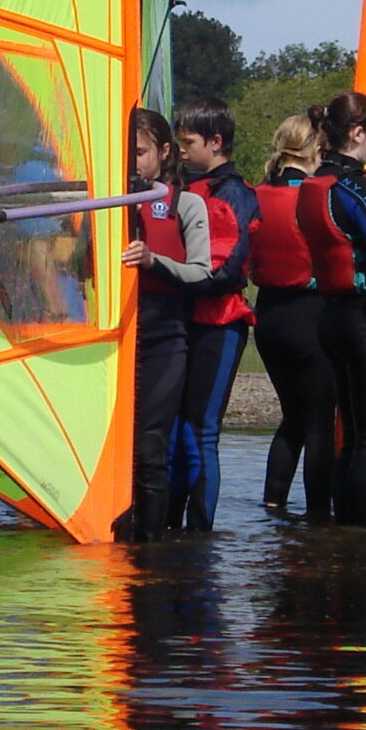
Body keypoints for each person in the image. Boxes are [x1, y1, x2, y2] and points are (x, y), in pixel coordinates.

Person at [295, 90, 366, 526]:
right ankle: (364, 542)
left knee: (352, 438)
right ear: (357, 133)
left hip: (331, 320)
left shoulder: (314, 183)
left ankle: (341, 534)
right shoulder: (355, 189)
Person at [118, 107, 209, 542]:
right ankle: (111, 542)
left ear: (164, 152)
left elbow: (202, 271)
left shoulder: (185, 204)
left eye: (139, 153)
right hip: (115, 340)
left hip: (163, 337)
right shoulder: (105, 206)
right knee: (113, 453)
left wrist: (156, 262)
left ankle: (150, 550)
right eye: (124, 154)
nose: (132, 163)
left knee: (150, 449)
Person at [167, 100, 258, 531]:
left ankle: (199, 531)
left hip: (220, 323)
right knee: (176, 430)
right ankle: (167, 524)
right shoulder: (178, 188)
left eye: (187, 143)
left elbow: (227, 269)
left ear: (216, 142)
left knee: (201, 432)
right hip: (183, 322)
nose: (180, 151)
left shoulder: (233, 194)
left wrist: (173, 277)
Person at [247, 111, 331, 516]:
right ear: (316, 148)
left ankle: (272, 503)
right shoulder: (314, 194)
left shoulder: (257, 193)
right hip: (308, 314)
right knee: (319, 422)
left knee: (293, 416)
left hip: (268, 316)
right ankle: (320, 517)